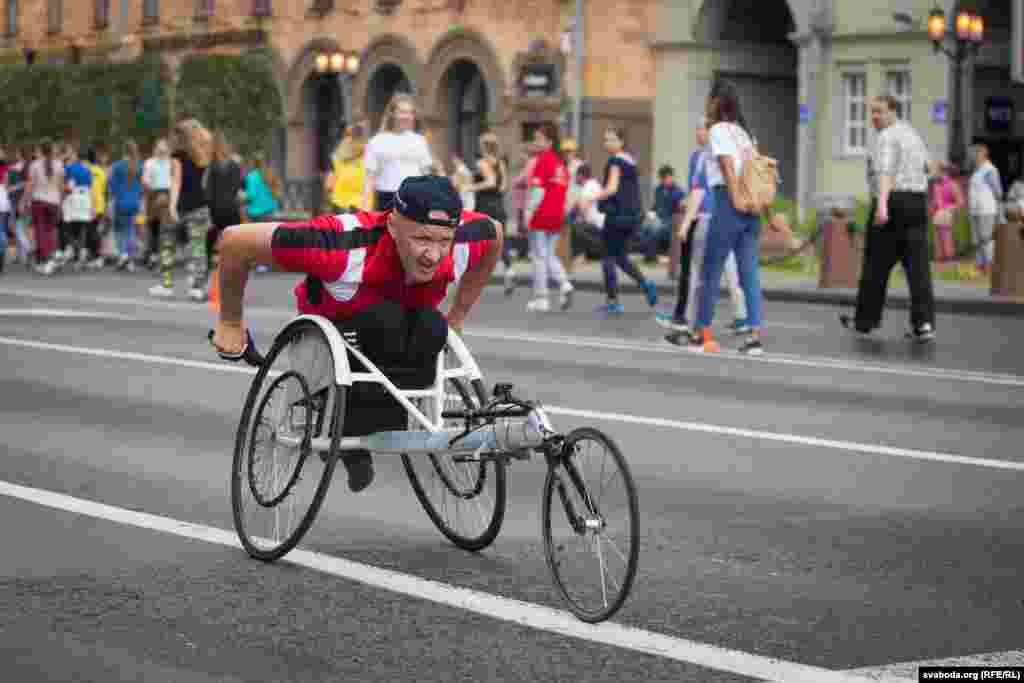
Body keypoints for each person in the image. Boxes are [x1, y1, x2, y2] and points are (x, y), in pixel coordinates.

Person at [210, 175, 502, 493]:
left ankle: (373, 421)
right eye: (422, 239)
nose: (433, 254)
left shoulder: (465, 240)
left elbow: (495, 234)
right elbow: (235, 241)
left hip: (407, 324)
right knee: (384, 321)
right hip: (335, 328)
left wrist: (458, 314)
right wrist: (230, 322)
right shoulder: (342, 243)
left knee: (434, 328)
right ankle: (344, 424)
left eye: (443, 242)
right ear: (392, 224)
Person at [840, 94, 936, 343]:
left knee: (875, 265)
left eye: (879, 112)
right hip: (916, 202)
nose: (874, 117)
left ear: (893, 111)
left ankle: (865, 321)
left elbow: (885, 173)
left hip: (892, 201)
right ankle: (923, 324)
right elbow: (931, 168)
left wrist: (882, 206)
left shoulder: (886, 137)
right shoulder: (913, 134)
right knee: (918, 268)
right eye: (872, 112)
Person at [687, 81, 764, 355]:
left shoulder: (718, 130)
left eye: (709, 100)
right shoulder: (745, 133)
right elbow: (757, 170)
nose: (706, 105)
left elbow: (727, 166)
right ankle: (754, 337)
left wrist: (735, 199)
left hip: (728, 203)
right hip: (752, 207)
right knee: (749, 273)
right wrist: (758, 205)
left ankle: (702, 334)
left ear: (717, 102)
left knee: (710, 271)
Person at [659, 118, 750, 337]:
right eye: (698, 129)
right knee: (716, 271)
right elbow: (696, 189)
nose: (698, 133)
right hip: (704, 216)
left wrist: (688, 220)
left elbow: (703, 190)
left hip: (713, 217)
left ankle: (696, 326)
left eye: (701, 129)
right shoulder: (696, 158)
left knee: (706, 274)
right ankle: (732, 318)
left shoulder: (718, 156)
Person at [593, 126, 658, 314]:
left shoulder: (615, 161)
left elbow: (612, 189)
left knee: (607, 257)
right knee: (620, 257)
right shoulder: (631, 161)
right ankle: (646, 284)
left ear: (621, 142)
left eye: (612, 139)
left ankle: (612, 301)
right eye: (605, 139)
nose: (607, 143)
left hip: (616, 217)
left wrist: (591, 198)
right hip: (631, 218)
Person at [154, 119, 214, 301]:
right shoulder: (205, 154)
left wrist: (171, 207)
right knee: (198, 248)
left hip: (182, 206)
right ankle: (197, 287)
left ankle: (166, 284)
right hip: (201, 206)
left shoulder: (177, 156)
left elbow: (175, 182)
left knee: (167, 244)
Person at [524, 122, 575, 312]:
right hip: (556, 215)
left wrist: (529, 212)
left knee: (538, 256)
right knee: (548, 254)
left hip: (541, 214)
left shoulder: (543, 160)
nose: (536, 142)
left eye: (539, 139)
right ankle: (564, 284)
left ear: (550, 142)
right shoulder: (561, 163)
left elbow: (538, 190)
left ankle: (541, 298)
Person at [363, 93, 433, 211]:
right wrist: (365, 202)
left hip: (414, 198)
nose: (406, 116)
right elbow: (370, 175)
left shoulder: (419, 141)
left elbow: (426, 174)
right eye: (402, 112)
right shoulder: (377, 141)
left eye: (410, 112)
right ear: (392, 114)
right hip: (386, 197)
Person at [465, 133, 512, 289]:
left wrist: (470, 187)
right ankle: (509, 271)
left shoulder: (482, 163)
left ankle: (472, 277)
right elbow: (504, 186)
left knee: (477, 241)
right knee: (500, 241)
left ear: (483, 146)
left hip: (484, 205)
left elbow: (490, 182)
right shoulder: (501, 163)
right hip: (498, 205)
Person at [204, 130, 244, 273]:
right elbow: (239, 185)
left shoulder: (212, 165)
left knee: (211, 235)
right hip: (231, 206)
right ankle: (234, 262)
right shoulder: (235, 165)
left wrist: (209, 206)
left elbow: (208, 189)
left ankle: (209, 261)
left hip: (216, 207)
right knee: (233, 236)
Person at [25, 140, 64, 275]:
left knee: (40, 232)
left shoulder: (34, 165)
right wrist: (61, 202)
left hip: (39, 201)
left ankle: (48, 259)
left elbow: (30, 185)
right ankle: (54, 254)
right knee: (51, 230)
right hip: (54, 201)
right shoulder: (59, 164)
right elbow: (61, 186)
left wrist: (24, 201)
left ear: (40, 150)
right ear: (52, 150)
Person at [108, 140, 145, 272]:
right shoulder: (139, 166)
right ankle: (130, 259)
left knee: (119, 230)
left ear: (124, 151)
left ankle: (123, 254)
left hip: (120, 202)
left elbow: (111, 186)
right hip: (134, 202)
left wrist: (112, 200)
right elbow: (143, 186)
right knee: (130, 230)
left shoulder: (117, 166)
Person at [967, 143, 1004, 274]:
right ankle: (979, 266)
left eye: (975, 154)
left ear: (982, 154)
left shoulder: (990, 170)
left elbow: (998, 192)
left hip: (986, 209)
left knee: (985, 238)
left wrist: (999, 211)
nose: (973, 156)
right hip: (974, 209)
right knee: (976, 240)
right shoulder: (976, 170)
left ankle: (989, 265)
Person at [639, 165, 683, 264]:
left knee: (653, 229)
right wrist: (649, 213)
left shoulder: (678, 192)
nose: (664, 181)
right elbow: (655, 206)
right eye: (662, 178)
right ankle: (650, 255)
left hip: (670, 220)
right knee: (643, 227)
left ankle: (652, 256)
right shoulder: (658, 189)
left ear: (671, 177)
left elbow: (678, 211)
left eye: (666, 178)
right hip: (657, 218)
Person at [324, 123, 368, 213]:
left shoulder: (336, 157)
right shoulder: (368, 156)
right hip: (361, 205)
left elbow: (329, 185)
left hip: (339, 204)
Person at [929, 162, 963, 263]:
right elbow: (935, 201)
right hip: (937, 215)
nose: (933, 173)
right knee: (937, 240)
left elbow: (960, 202)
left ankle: (949, 260)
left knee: (946, 239)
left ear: (941, 171)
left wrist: (949, 209)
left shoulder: (952, 184)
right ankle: (939, 261)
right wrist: (931, 208)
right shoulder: (936, 185)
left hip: (946, 214)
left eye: (935, 171)